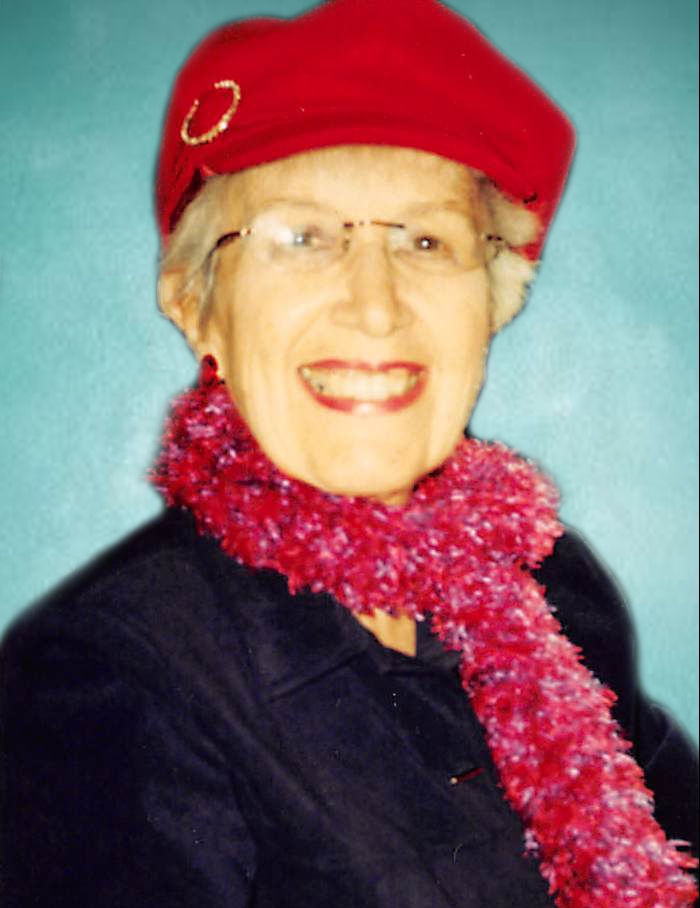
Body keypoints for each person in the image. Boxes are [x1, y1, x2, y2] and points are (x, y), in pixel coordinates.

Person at [1, 1, 697, 906]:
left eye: (426, 240)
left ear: (493, 298)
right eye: (301, 237)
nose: (375, 307)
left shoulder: (555, 590)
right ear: (197, 306)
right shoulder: (107, 681)